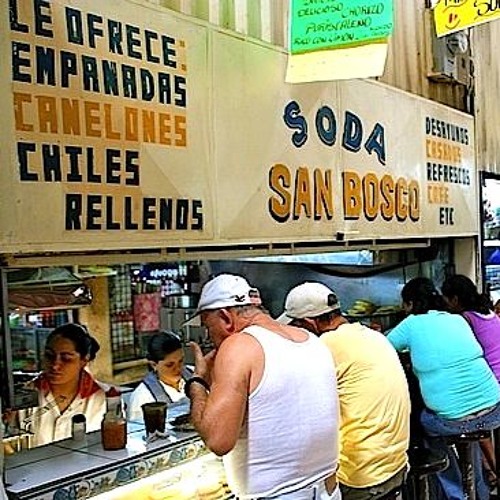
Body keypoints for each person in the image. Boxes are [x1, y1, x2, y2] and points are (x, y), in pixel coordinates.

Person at [184, 273, 341, 499]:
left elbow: (218, 441)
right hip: (328, 490)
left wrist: (197, 381)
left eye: (208, 327)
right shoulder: (311, 340)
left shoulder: (238, 346)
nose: (210, 337)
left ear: (226, 318)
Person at [277, 282, 411, 500]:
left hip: (361, 479)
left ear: (310, 323)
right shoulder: (373, 335)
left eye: (295, 325)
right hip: (396, 465)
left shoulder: (324, 347)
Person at [387, 277, 500, 500]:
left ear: (410, 304)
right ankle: (479, 491)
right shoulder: (456, 319)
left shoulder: (411, 323)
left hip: (454, 420)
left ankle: (456, 493)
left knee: (424, 427)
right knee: (467, 429)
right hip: (493, 408)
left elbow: (381, 346)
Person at [441, 274, 500, 488]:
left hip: (491, 385)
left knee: (471, 417)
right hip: (496, 379)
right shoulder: (488, 313)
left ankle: (492, 471)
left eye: (446, 300)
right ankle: (488, 473)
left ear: (455, 299)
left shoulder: (465, 319)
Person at [16, 323, 107, 447]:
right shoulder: (23, 397)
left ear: (84, 360)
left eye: (66, 359)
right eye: (49, 356)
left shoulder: (103, 400)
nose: (55, 365)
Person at [127, 331, 192, 421]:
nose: (178, 368)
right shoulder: (142, 397)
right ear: (154, 365)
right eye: (170, 365)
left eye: (180, 361)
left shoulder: (195, 375)